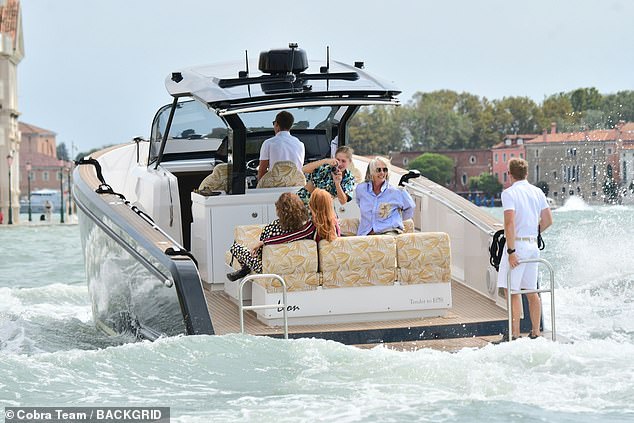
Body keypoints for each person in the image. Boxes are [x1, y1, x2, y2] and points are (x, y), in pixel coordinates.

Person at [496, 157, 553, 342]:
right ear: (527, 173)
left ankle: (514, 334)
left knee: (511, 290)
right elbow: (548, 220)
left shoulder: (509, 193)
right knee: (531, 291)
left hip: (518, 245)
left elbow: (509, 222)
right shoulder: (537, 192)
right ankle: (536, 332)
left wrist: (511, 251)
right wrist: (534, 233)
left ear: (509, 174)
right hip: (532, 246)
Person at [227, 192, 315, 281]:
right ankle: (245, 269)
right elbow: (289, 237)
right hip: (288, 266)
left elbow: (260, 252)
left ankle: (245, 269)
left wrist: (261, 243)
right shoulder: (305, 227)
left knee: (235, 247)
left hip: (264, 268)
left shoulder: (274, 227)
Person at [355, 157, 415, 235]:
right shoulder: (361, 189)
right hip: (366, 233)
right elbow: (359, 203)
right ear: (371, 172)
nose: (382, 173)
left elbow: (410, 207)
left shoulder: (397, 191)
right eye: (378, 170)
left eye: (385, 170)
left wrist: (396, 219)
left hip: (389, 232)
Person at [258, 111, 305, 180]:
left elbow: (262, 170)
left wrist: (259, 188)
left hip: (274, 187)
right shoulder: (300, 144)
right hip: (295, 187)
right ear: (290, 126)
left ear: (276, 124)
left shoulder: (268, 143)